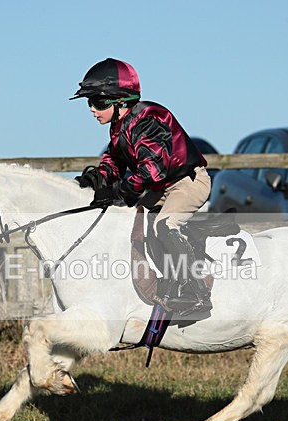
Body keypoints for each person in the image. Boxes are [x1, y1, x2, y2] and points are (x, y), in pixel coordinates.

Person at [70, 58, 212, 315]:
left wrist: (118, 192)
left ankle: (196, 292)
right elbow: (114, 160)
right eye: (89, 103)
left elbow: (151, 171)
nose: (92, 109)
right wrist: (97, 179)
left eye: (98, 103)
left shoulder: (149, 119)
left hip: (187, 183)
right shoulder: (119, 126)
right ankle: (163, 279)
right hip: (164, 187)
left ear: (120, 102)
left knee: (164, 225)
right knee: (131, 221)